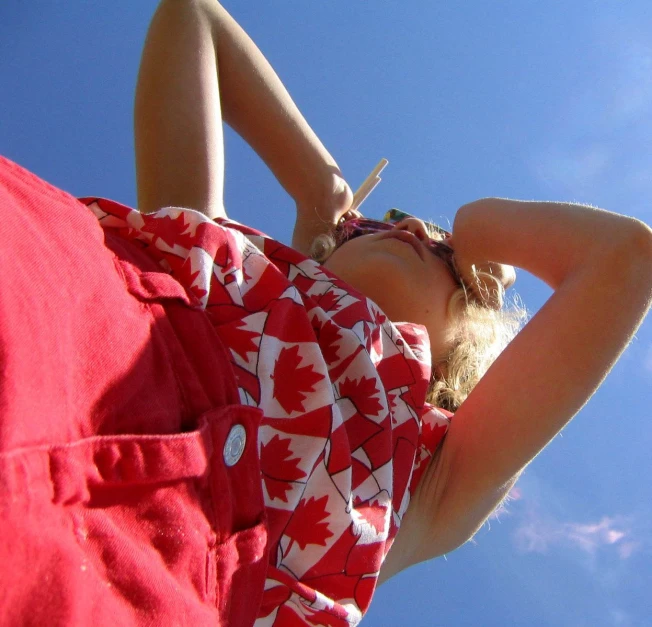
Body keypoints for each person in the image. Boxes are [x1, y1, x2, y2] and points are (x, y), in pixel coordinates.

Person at [0, 1, 650, 625]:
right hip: (45, 294)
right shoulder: (212, 252)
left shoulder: (430, 479)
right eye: (388, 223)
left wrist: (475, 229)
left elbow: (624, 259)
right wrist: (320, 187)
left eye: (443, 253)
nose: (415, 229)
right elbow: (192, 16)